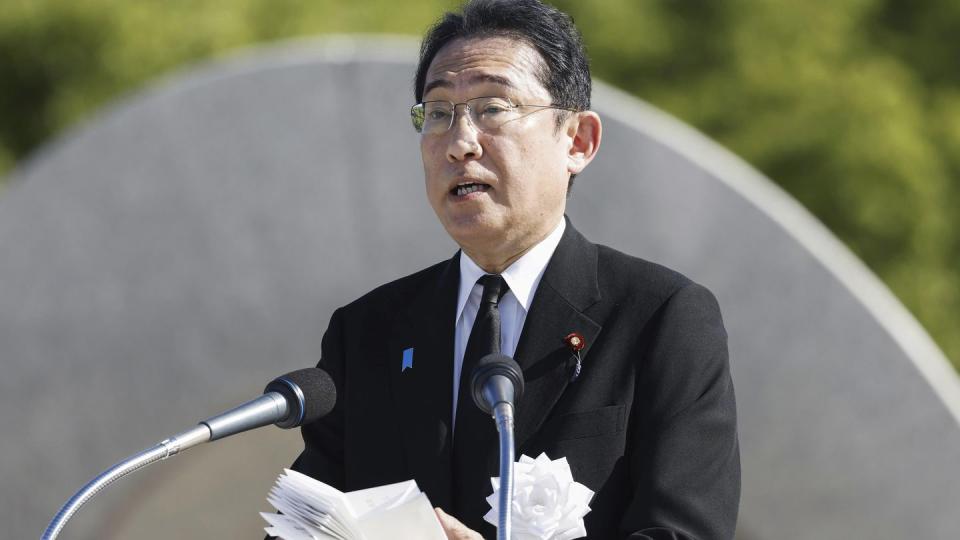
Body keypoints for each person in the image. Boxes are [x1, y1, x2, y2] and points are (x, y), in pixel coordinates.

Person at [288, 1, 740, 538]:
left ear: (577, 141)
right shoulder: (366, 333)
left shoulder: (660, 317)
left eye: (493, 108)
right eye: (437, 112)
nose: (460, 143)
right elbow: (301, 526)